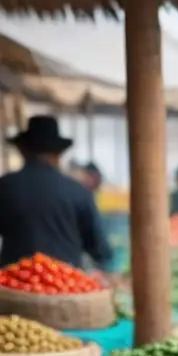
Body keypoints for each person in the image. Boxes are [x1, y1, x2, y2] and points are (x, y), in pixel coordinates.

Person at [0, 116, 112, 270]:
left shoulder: (4, 187)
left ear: (23, 150)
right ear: (58, 154)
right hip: (64, 286)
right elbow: (100, 250)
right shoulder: (78, 192)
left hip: (14, 285)